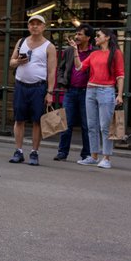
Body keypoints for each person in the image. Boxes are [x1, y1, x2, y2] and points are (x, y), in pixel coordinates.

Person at [8, 14, 57, 166]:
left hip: (38, 87)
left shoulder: (49, 46)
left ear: (44, 27)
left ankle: (34, 152)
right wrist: (18, 61)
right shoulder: (21, 41)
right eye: (32, 24)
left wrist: (49, 92)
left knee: (37, 121)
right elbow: (11, 62)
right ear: (28, 26)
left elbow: (52, 71)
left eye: (38, 24)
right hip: (21, 85)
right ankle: (19, 151)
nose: (35, 26)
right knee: (19, 119)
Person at [73, 28, 124, 169]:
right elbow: (80, 67)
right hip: (91, 89)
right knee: (91, 125)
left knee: (105, 126)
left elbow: (120, 74)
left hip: (106, 90)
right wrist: (75, 51)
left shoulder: (116, 53)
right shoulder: (94, 53)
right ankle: (94, 156)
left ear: (107, 37)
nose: (95, 38)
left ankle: (106, 157)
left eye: (98, 36)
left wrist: (119, 94)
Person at [55, 25, 94, 161]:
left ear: (88, 38)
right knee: (66, 122)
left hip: (87, 92)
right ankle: (62, 152)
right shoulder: (69, 51)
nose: (76, 37)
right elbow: (61, 67)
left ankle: (86, 154)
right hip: (70, 90)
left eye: (80, 34)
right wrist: (62, 82)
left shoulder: (94, 52)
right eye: (76, 34)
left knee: (86, 124)